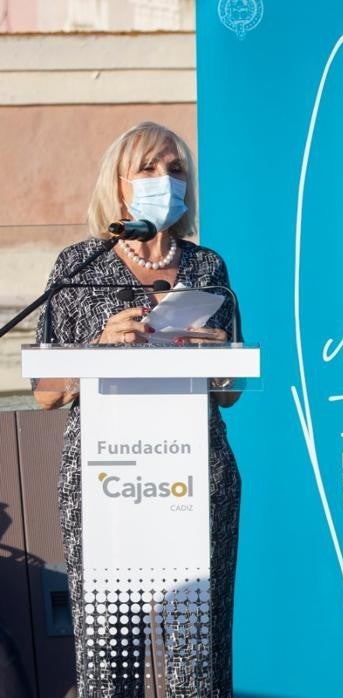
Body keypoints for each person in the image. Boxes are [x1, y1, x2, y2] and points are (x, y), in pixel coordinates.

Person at [32, 122, 242, 696]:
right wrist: (98, 349)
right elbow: (47, 392)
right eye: (148, 169)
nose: (164, 181)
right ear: (118, 184)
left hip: (197, 474)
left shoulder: (208, 268)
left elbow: (230, 391)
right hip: (108, 481)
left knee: (198, 661)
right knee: (108, 661)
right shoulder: (79, 267)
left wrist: (218, 354)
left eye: (175, 170)